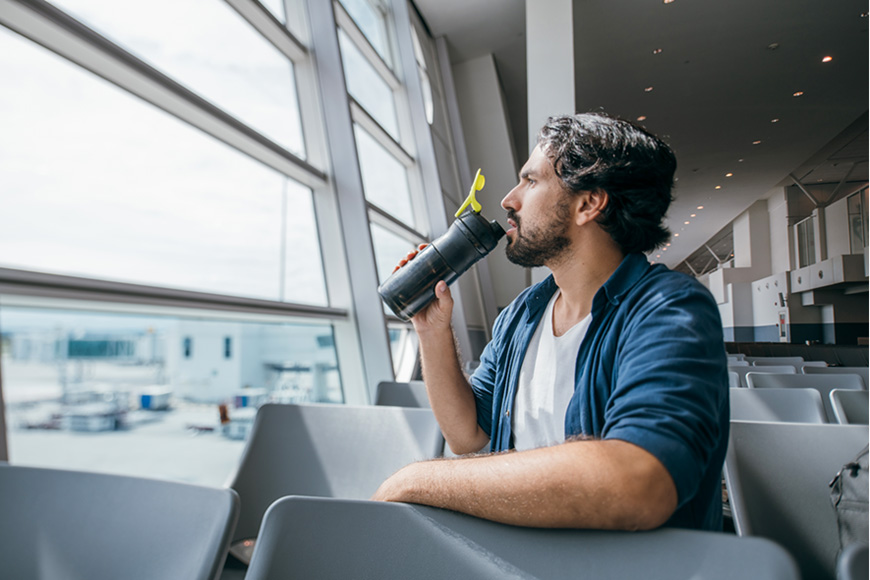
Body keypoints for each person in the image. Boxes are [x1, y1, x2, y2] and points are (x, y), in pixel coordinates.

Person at [372, 112, 729, 532]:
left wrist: (417, 479)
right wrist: (431, 331)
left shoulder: (669, 309)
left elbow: (638, 482)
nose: (509, 199)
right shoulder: (523, 313)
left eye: (531, 180)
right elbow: (468, 436)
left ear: (588, 203)